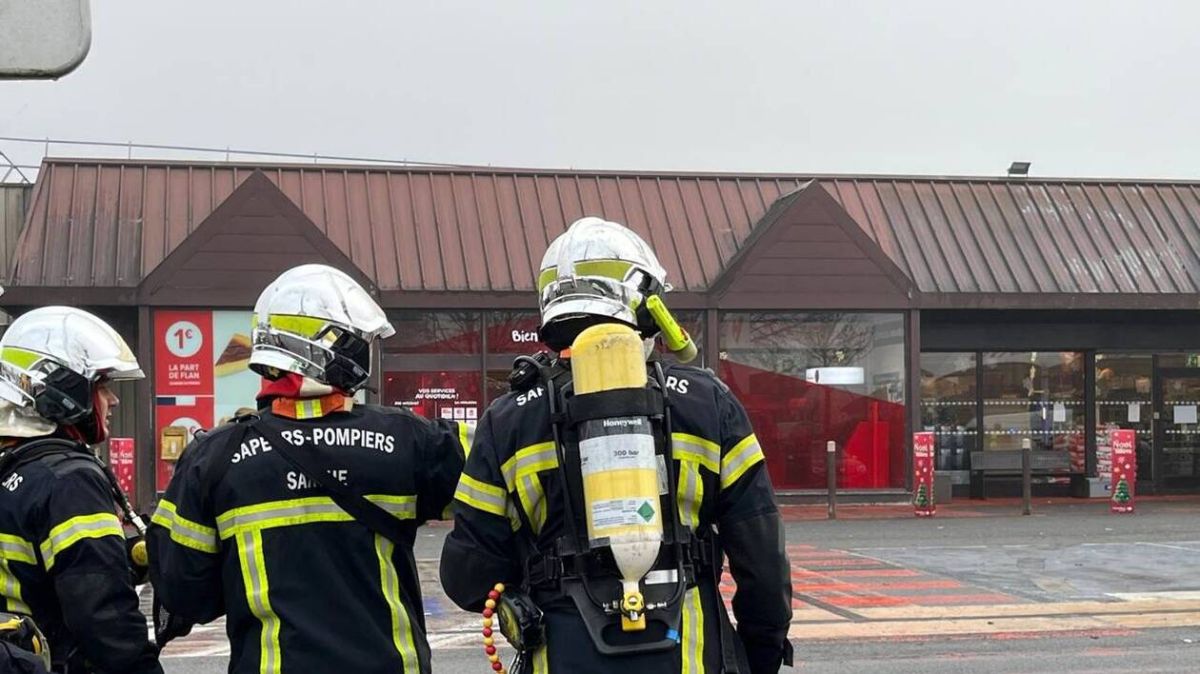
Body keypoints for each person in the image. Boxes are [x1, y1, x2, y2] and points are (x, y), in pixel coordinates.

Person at [441, 217, 793, 673]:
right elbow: (762, 561)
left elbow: (468, 573)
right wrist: (760, 656)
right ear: (644, 305)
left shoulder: (507, 420)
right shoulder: (708, 404)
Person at [147, 264, 470, 674]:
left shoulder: (215, 457)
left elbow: (185, 594)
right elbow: (495, 476)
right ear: (328, 345)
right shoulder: (409, 440)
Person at [0, 306, 162, 673]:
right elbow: (102, 615)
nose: (113, 400)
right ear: (64, 390)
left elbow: (35, 567)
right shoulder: (70, 481)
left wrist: (126, 554)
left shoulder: (14, 468)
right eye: (102, 385)